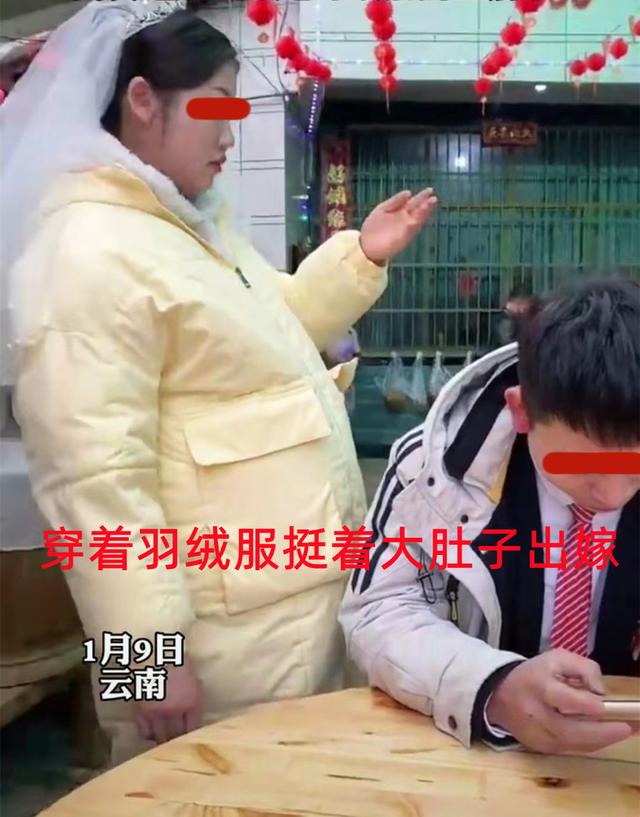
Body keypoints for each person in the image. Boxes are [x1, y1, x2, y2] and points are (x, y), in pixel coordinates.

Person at [0, 1, 438, 765]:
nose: (231, 132)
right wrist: (145, 657)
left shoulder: (189, 228)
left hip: (278, 609)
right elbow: (92, 480)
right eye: (216, 105)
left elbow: (277, 332)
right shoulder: (86, 250)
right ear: (143, 101)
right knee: (192, 790)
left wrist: (360, 255)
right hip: (206, 646)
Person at [340, 276, 640, 755]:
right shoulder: (433, 470)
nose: (614, 495)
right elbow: (378, 609)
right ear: (522, 411)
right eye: (586, 467)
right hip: (473, 749)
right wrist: (492, 687)